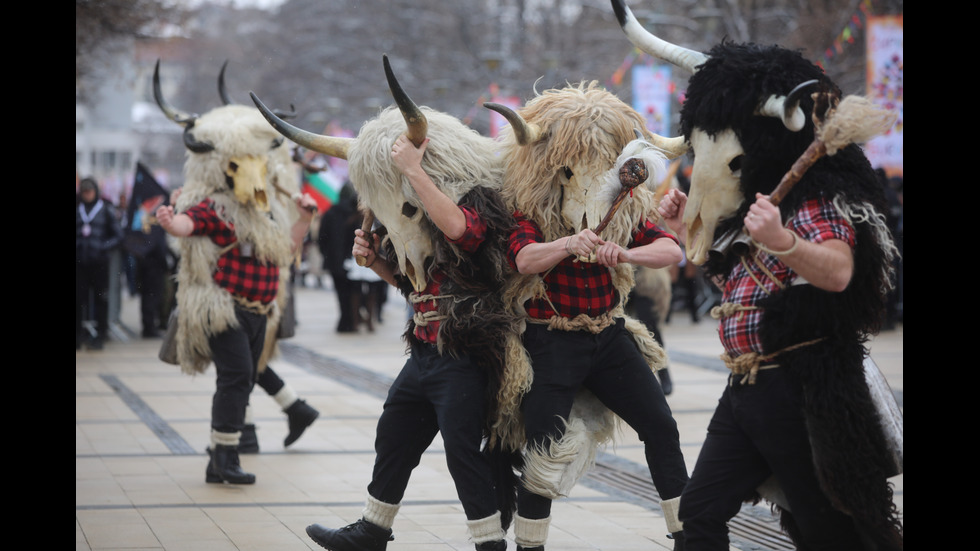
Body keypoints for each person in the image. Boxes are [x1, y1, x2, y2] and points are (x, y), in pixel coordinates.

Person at [305, 134, 517, 551]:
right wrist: (376, 261)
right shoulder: (413, 215)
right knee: (394, 434)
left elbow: (463, 232)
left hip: (466, 351)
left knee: (463, 453)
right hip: (424, 347)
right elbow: (413, 287)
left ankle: (490, 543)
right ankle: (373, 528)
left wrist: (413, 170)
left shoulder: (475, 198)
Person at [506, 210, 690, 551]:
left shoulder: (614, 207)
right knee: (544, 447)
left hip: (608, 335)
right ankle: (529, 546)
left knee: (661, 425)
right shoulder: (531, 204)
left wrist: (626, 254)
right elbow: (523, 259)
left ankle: (688, 536)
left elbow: (671, 249)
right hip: (550, 338)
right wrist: (567, 244)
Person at [156, 186, 317, 484]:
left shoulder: (267, 209)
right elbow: (189, 224)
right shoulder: (219, 206)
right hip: (224, 309)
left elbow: (287, 250)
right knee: (237, 376)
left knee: (244, 378)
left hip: (259, 312)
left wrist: (304, 219)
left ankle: (219, 460)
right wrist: (170, 221)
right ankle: (226, 458)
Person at [76, 177, 123, 350]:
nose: (87, 195)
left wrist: (103, 247)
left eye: (90, 191)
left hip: (99, 263)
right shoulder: (78, 209)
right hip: (80, 263)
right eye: (84, 192)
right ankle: (78, 335)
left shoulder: (105, 210)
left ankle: (100, 335)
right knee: (79, 300)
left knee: (100, 299)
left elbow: (118, 236)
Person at [317, 181, 360, 333]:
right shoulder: (356, 213)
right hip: (354, 261)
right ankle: (351, 321)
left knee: (341, 294)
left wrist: (327, 255)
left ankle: (345, 320)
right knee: (354, 292)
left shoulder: (330, 212)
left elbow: (321, 238)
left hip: (335, 261)